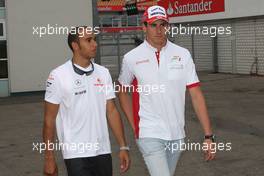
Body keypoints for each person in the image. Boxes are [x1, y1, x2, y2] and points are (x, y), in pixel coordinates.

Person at [118, 5, 216, 176]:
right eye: (153, 25)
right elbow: (122, 90)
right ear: (144, 27)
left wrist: (208, 136)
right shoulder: (131, 58)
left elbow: (196, 94)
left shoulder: (183, 54)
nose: (159, 30)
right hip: (148, 132)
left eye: (163, 24)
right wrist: (135, 124)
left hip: (177, 133)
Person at [43, 26, 130, 176]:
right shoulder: (58, 75)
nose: (94, 44)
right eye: (88, 40)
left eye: (94, 39)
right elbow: (49, 120)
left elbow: (112, 111)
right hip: (75, 154)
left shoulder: (103, 73)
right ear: (75, 46)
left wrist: (123, 147)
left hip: (103, 151)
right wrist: (49, 158)